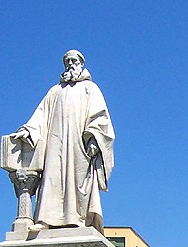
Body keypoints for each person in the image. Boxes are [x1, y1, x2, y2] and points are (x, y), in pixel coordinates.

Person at [12, 50, 114, 233]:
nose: (70, 64)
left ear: (81, 63)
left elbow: (101, 118)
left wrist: (93, 138)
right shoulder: (54, 91)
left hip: (78, 145)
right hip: (56, 143)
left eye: (73, 60)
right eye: (67, 61)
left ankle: (78, 218)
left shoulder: (90, 89)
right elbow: (40, 115)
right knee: (52, 177)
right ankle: (45, 219)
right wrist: (29, 129)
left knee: (77, 180)